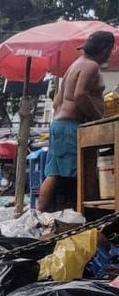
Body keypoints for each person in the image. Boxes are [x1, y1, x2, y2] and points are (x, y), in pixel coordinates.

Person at [39, 30, 115, 212]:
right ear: (105, 50)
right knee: (81, 172)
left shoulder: (75, 64)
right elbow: (80, 95)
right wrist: (100, 118)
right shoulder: (91, 66)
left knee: (54, 173)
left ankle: (38, 215)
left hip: (59, 125)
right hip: (71, 127)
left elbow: (57, 101)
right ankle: (82, 215)